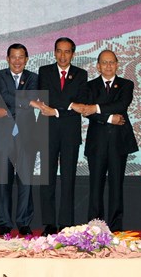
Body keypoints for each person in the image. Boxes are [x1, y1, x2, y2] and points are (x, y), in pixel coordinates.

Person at [77, 50, 137, 231]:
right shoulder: (89, 86)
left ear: (117, 64)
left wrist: (95, 107)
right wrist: (110, 118)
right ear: (98, 66)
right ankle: (95, 228)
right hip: (97, 143)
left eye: (112, 62)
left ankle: (116, 228)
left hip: (119, 142)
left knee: (116, 186)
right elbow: (86, 112)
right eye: (104, 62)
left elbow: (121, 105)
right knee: (96, 187)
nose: (108, 66)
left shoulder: (126, 84)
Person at [34, 37, 89, 235]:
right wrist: (70, 105)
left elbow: (81, 102)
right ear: (54, 52)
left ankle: (66, 223)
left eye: (67, 51)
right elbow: (48, 98)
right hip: (48, 131)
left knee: (68, 179)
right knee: (47, 179)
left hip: (70, 134)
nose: (63, 55)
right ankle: (49, 223)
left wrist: (56, 110)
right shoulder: (45, 71)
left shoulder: (81, 74)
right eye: (59, 51)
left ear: (73, 54)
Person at [0, 43, 39, 236]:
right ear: (7, 59)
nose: (17, 61)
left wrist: (23, 103)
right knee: (3, 181)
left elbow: (29, 97)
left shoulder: (33, 77)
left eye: (21, 57)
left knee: (26, 181)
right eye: (13, 57)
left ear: (26, 59)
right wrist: (27, 102)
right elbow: (4, 96)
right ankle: (4, 223)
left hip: (27, 136)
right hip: (2, 136)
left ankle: (24, 222)